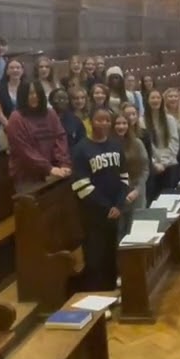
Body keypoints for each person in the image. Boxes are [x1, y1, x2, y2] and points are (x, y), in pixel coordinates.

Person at [71, 106, 129, 291]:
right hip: (93, 214)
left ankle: (112, 291)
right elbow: (81, 186)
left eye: (107, 120)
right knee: (95, 257)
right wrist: (106, 207)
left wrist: (119, 205)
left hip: (114, 211)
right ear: (91, 122)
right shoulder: (81, 149)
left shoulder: (116, 145)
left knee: (111, 253)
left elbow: (124, 178)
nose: (104, 123)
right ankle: (97, 294)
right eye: (99, 120)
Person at [6, 82, 72, 190]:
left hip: (55, 171)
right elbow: (23, 150)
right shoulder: (16, 118)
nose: (34, 96)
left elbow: (60, 138)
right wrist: (48, 168)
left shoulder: (50, 113)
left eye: (37, 93)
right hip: (28, 175)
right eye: (30, 93)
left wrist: (64, 164)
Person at [114, 109, 148, 234]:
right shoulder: (108, 145)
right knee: (119, 232)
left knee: (137, 230)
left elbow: (145, 169)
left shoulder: (137, 143)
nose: (121, 126)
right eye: (118, 123)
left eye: (124, 123)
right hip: (117, 195)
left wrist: (137, 190)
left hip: (136, 191)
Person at [144, 89, 180, 196]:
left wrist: (164, 162)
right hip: (153, 166)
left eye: (158, 98)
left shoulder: (169, 119)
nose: (155, 100)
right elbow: (147, 146)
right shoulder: (142, 121)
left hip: (170, 164)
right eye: (153, 98)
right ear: (147, 101)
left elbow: (174, 141)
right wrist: (155, 162)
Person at [0, 58, 25, 131]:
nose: (15, 70)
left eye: (18, 68)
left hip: (26, 128)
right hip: (6, 128)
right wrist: (10, 127)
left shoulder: (29, 88)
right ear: (7, 71)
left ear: (22, 71)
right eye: (11, 68)